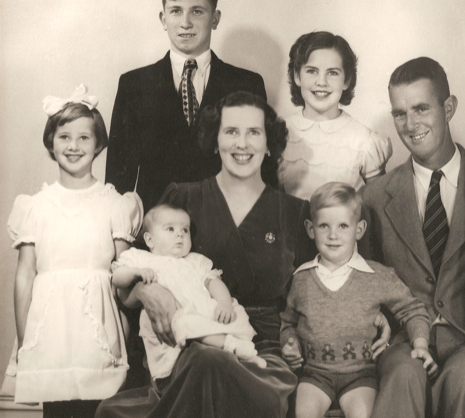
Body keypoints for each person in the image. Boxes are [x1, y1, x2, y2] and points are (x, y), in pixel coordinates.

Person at [97, 91, 314, 418]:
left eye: (254, 132)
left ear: (270, 144)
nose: (242, 144)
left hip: (260, 351)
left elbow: (319, 289)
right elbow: (133, 280)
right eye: (231, 131)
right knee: (205, 360)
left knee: (211, 363)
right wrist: (147, 290)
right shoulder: (182, 197)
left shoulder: (296, 212)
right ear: (215, 141)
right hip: (186, 345)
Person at [360, 57, 465, 418]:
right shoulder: (376, 196)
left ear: (449, 107)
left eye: (421, 108)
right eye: (399, 113)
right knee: (403, 376)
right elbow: (364, 282)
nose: (410, 125)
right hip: (404, 340)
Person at [9, 85, 142, 417]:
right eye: (64, 136)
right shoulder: (35, 206)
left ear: (98, 144)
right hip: (50, 331)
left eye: (84, 138)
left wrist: (123, 333)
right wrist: (26, 338)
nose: (73, 146)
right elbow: (26, 274)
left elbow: (123, 273)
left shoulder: (114, 203)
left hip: (98, 332)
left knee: (100, 410)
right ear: (50, 143)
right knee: (58, 411)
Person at [105, 0, 267, 212]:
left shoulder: (247, 83)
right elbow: (117, 181)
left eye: (197, 11)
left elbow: (261, 173)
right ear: (163, 19)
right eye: (176, 11)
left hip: (227, 231)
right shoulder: (134, 85)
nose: (185, 23)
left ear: (215, 18)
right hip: (155, 235)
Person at [281, 182, 435, 418]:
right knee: (303, 413)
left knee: (363, 415)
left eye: (343, 225)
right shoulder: (301, 278)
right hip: (314, 374)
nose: (333, 235)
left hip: (360, 376)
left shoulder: (375, 275)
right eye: (324, 225)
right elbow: (288, 321)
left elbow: (412, 309)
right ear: (311, 229)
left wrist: (421, 344)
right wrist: (289, 343)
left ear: (359, 229)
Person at [112, 203, 265, 384]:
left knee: (230, 314)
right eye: (170, 229)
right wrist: (136, 273)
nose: (180, 234)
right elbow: (117, 278)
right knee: (185, 324)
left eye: (185, 230)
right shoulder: (141, 259)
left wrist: (224, 303)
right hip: (172, 322)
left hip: (203, 314)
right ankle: (232, 346)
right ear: (150, 240)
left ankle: (244, 355)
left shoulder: (195, 260)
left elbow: (214, 281)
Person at [278, 31, 392, 200]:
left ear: (346, 80)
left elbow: (378, 205)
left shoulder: (363, 141)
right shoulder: (280, 132)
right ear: (297, 76)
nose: (321, 82)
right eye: (312, 71)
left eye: (332, 73)